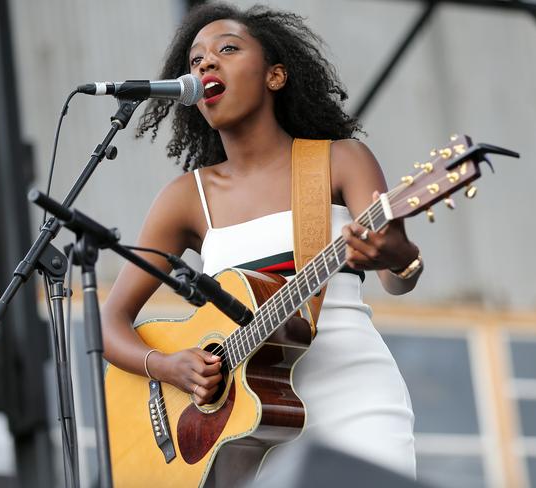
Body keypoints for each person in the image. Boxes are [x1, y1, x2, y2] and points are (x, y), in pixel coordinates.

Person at [102, 2, 422, 485]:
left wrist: (399, 256)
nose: (206, 63)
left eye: (227, 49)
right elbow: (109, 323)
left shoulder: (341, 161)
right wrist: (168, 365)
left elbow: (396, 278)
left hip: (354, 397)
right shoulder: (187, 199)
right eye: (195, 61)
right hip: (244, 434)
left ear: (275, 76)